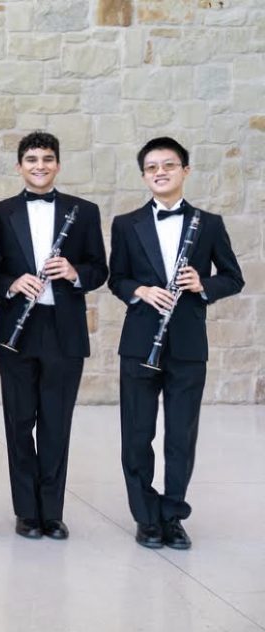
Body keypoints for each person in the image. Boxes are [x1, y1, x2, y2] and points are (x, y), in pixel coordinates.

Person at [108, 137, 244, 550]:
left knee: (180, 437)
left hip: (186, 345)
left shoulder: (210, 223)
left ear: (185, 170)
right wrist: (142, 292)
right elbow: (118, 279)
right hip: (139, 343)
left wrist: (203, 284)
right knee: (136, 434)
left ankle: (173, 514)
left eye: (169, 165)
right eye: (152, 167)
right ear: (145, 175)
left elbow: (233, 277)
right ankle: (146, 517)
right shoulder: (126, 224)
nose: (160, 172)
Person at [0, 131, 108, 540]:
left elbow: (99, 269)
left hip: (63, 330)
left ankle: (51, 512)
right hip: (17, 329)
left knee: (56, 423)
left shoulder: (84, 211)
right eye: (32, 159)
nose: (40, 165)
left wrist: (75, 274)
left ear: (58, 164)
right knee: (19, 423)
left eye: (48, 159)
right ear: (19, 165)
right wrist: (12, 282)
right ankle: (26, 511)